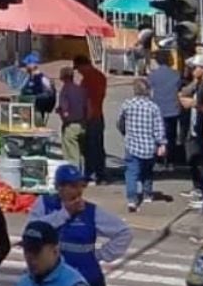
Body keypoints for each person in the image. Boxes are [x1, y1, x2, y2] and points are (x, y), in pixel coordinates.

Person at [27, 164, 132, 286]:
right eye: (73, 186)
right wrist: (65, 213)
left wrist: (100, 255)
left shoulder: (91, 211)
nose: (78, 191)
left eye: (81, 186)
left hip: (86, 280)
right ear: (60, 187)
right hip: (50, 281)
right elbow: (31, 231)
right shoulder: (45, 204)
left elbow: (124, 232)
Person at [2, 221, 101, 286]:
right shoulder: (24, 284)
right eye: (27, 250)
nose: (30, 257)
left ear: (55, 251)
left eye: (36, 251)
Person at [117, 77, 167, 212]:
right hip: (149, 146)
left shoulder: (127, 104)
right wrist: (162, 144)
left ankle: (132, 200)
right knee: (147, 171)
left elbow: (120, 122)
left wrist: (124, 132)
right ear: (148, 91)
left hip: (132, 144)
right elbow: (158, 127)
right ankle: (147, 194)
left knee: (131, 173)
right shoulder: (153, 107)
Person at [180, 56, 203, 208]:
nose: (192, 71)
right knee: (193, 160)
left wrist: (194, 104)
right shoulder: (198, 83)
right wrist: (194, 81)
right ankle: (198, 189)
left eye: (195, 68)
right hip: (194, 129)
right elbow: (182, 93)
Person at [147, 52, 184, 166]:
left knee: (157, 134)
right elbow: (179, 88)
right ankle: (170, 159)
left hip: (157, 109)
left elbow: (149, 90)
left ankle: (159, 158)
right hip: (172, 109)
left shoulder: (153, 75)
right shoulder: (176, 74)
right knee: (171, 135)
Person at [75, 56, 108, 183]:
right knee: (98, 146)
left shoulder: (88, 79)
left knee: (89, 148)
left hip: (90, 116)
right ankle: (100, 173)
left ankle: (91, 174)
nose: (79, 72)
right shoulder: (100, 76)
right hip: (98, 114)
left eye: (79, 68)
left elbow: (88, 100)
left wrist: (85, 119)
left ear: (84, 65)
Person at [55, 66, 88, 169]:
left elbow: (65, 112)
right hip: (83, 124)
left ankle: (74, 174)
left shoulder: (65, 91)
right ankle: (82, 172)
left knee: (71, 155)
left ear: (62, 77)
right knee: (81, 153)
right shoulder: (80, 89)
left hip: (71, 125)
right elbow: (86, 106)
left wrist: (60, 111)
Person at [22, 53, 56, 127]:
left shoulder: (42, 78)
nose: (25, 67)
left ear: (33, 65)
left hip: (38, 112)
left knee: (38, 127)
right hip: (28, 112)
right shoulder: (28, 78)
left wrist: (40, 100)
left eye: (27, 64)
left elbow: (50, 94)